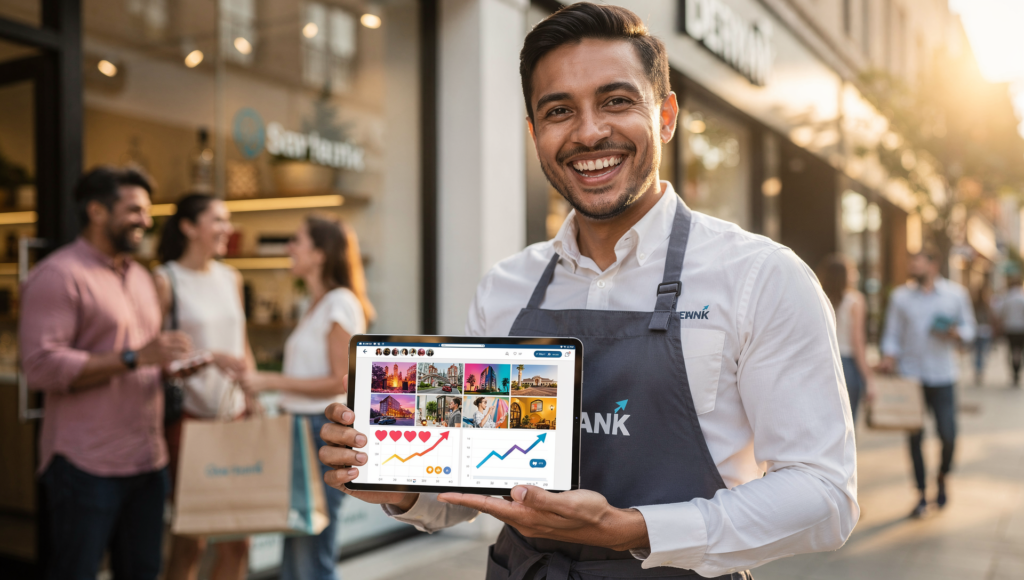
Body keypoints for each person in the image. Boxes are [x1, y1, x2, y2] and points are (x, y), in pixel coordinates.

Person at [319, 4, 857, 579]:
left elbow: (824, 494)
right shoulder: (506, 288)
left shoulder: (761, 277)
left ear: (667, 115)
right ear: (534, 134)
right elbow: (470, 487)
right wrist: (398, 482)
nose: (589, 131)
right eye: (558, 111)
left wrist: (633, 530)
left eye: (617, 101)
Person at [19, 166, 195, 580]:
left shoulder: (140, 276)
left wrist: (170, 365)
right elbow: (41, 367)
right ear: (97, 211)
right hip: (85, 465)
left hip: (148, 461)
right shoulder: (58, 275)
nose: (146, 221)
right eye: (134, 209)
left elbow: (145, 355)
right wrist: (134, 357)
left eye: (147, 211)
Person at [239, 215, 374, 580]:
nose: (289, 248)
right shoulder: (315, 304)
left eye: (297, 241)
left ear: (319, 253)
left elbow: (339, 380)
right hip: (302, 430)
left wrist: (269, 380)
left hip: (319, 431)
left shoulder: (339, 303)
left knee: (312, 550)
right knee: (298, 541)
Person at [154, 194, 255, 580]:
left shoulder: (232, 277)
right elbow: (159, 361)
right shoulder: (166, 281)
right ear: (189, 226)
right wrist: (209, 356)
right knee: (192, 535)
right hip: (192, 422)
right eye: (218, 220)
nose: (226, 229)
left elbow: (241, 343)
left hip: (236, 417)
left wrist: (254, 396)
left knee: (239, 537)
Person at [878, 246, 976, 518]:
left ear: (933, 266)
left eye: (919, 263)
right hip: (911, 378)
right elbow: (892, 334)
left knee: (948, 435)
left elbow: (970, 329)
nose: (914, 267)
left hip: (944, 375)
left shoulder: (956, 294)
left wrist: (957, 333)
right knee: (914, 439)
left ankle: (943, 477)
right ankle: (921, 494)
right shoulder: (900, 297)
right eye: (912, 263)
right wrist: (889, 356)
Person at [817, 254, 873, 421]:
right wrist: (868, 376)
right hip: (847, 364)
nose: (855, 274)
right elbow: (858, 340)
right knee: (848, 422)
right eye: (852, 270)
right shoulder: (855, 300)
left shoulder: (818, 298)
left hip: (821, 362)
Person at [995, 275, 1024, 387]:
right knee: (1018, 351)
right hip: (1021, 328)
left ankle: (1014, 371)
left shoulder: (1007, 298)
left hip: (1010, 328)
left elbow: (1000, 312)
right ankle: (1017, 370)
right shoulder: (1021, 297)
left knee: (1012, 350)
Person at [972, 281, 995, 385]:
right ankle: (980, 369)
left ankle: (978, 369)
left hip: (978, 330)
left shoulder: (974, 304)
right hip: (984, 330)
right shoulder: (986, 304)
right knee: (982, 352)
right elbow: (990, 317)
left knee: (978, 352)